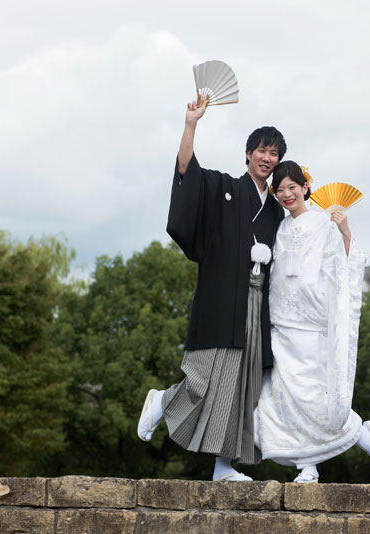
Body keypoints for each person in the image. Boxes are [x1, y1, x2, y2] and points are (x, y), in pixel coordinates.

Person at [137, 95, 286, 481]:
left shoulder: (275, 210)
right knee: (205, 379)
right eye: (261, 150)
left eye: (273, 153)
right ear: (248, 154)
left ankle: (223, 466)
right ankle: (163, 401)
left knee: (243, 387)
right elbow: (187, 171)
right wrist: (191, 124)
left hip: (257, 305)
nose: (266, 158)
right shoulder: (224, 187)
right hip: (223, 299)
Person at [254, 161, 370, 483]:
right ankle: (308, 465)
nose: (287, 194)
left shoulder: (323, 222)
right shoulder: (279, 228)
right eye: (280, 190)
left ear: (305, 188)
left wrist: (345, 232)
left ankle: (356, 433)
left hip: (312, 325)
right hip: (281, 324)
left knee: (313, 398)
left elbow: (345, 264)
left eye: (292, 187)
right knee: (282, 401)